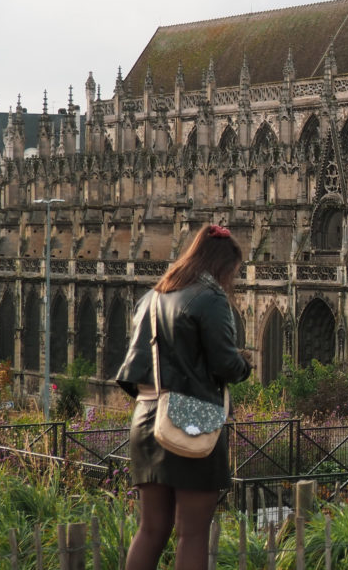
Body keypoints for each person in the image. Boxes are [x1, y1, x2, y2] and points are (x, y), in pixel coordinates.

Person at [116, 224, 252, 570]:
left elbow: (131, 370)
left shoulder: (152, 297)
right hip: (192, 420)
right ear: (221, 265)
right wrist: (244, 364)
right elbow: (226, 364)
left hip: (146, 419)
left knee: (151, 530)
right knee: (192, 533)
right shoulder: (210, 297)